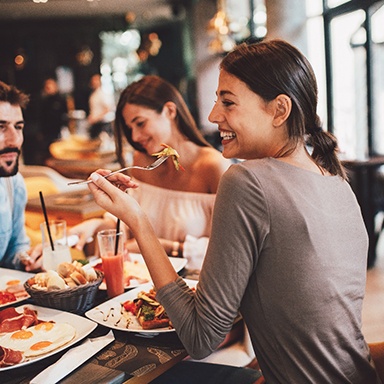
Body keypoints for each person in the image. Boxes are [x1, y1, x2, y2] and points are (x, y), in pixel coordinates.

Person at [86, 39, 380, 383]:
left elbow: (200, 337)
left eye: (228, 102)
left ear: (279, 110)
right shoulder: (338, 183)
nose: (213, 116)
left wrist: (137, 219)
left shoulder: (247, 181)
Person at [70, 75, 231, 271]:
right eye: (130, 128)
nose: (136, 137)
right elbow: (129, 225)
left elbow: (231, 253)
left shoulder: (213, 166)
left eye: (140, 123)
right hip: (142, 284)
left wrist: (164, 247)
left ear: (170, 111)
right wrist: (96, 226)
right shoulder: (142, 161)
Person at [0, 81, 41, 271]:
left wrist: (28, 259)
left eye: (18, 127)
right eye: (1, 127)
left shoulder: (13, 184)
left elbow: (13, 249)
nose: (14, 139)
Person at [38, 77, 68, 163]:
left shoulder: (61, 100)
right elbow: (41, 117)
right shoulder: (44, 101)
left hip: (57, 131)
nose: (49, 88)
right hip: (46, 131)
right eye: (47, 86)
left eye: (50, 85)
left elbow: (65, 116)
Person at [87, 74, 115, 139]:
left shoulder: (103, 94)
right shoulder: (93, 94)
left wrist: (96, 118)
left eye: (96, 80)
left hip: (103, 124)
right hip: (96, 124)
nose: (94, 82)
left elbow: (107, 109)